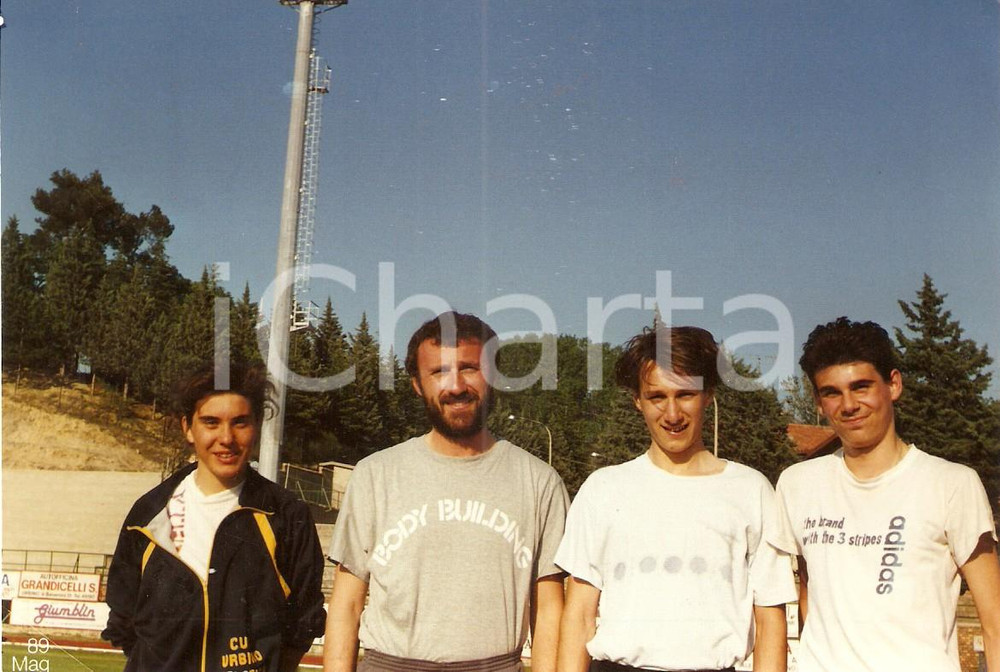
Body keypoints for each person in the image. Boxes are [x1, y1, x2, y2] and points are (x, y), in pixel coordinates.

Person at [324, 311, 569, 672]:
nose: (455, 386)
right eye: (438, 372)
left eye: (469, 367)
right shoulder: (374, 474)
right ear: (417, 385)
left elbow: (549, 611)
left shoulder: (540, 482)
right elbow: (345, 605)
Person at [556, 325, 795, 672]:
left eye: (685, 394)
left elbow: (771, 620)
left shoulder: (751, 489)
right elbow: (578, 615)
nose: (672, 414)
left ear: (708, 394)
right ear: (638, 400)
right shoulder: (603, 489)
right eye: (657, 397)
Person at [770, 317, 1000, 672]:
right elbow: (809, 595)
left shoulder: (952, 484)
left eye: (861, 387)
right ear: (818, 402)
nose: (848, 405)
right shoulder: (797, 484)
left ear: (893, 385)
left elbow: (995, 619)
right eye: (832, 392)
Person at [102, 361, 327, 672]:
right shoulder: (147, 516)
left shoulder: (287, 516)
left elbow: (302, 623)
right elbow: (125, 619)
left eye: (240, 422)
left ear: (257, 426)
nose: (226, 438)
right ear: (188, 428)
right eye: (210, 422)